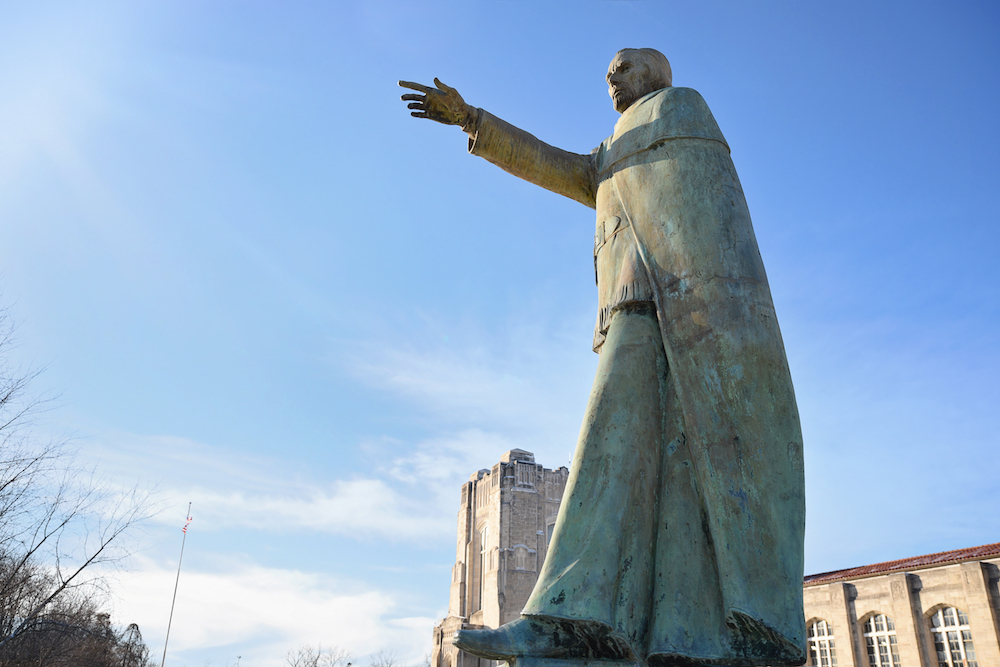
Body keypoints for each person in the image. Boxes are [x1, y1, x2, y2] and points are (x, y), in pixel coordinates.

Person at [399, 48, 806, 667]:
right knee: (627, 457)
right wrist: (473, 119)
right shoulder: (613, 149)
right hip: (633, 307)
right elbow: (555, 165)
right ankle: (595, 623)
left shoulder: (678, 110)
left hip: (683, 307)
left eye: (623, 67)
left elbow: (710, 216)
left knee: (645, 458)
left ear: (656, 74)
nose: (610, 78)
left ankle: (580, 623)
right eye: (607, 72)